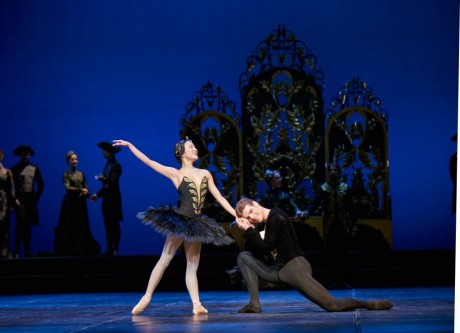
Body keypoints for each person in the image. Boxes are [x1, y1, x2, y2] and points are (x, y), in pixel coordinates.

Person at [112, 138, 237, 316]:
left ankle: (196, 304)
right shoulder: (175, 174)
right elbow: (148, 161)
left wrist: (236, 214)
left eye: (194, 146)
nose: (195, 149)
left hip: (198, 223)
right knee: (166, 258)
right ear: (181, 153)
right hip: (181, 220)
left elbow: (220, 198)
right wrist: (131, 146)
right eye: (191, 147)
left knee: (192, 265)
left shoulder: (205, 173)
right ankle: (147, 296)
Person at [234, 197, 393, 313]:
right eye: (248, 217)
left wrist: (248, 230)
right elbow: (265, 250)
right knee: (244, 257)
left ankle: (370, 304)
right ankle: (254, 303)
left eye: (252, 212)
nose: (253, 217)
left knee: (332, 305)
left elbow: (265, 246)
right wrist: (251, 230)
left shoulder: (276, 216)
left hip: (293, 268)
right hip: (280, 270)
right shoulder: (267, 224)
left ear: (256, 204)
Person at [305, 163, 356, 289]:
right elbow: (315, 204)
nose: (332, 172)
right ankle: (333, 280)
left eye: (335, 170)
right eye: (330, 170)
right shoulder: (323, 188)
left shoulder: (345, 188)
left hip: (343, 225)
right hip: (329, 226)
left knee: (343, 253)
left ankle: (343, 280)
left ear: (339, 173)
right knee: (332, 254)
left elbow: (351, 207)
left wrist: (354, 224)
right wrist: (306, 214)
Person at [54, 151, 100, 256]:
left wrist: (87, 191)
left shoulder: (81, 174)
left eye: (76, 159)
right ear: (68, 161)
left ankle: (81, 247)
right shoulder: (66, 174)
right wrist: (80, 190)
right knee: (70, 224)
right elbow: (67, 187)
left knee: (82, 225)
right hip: (70, 203)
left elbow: (86, 186)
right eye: (72, 159)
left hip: (80, 203)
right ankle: (70, 249)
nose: (75, 161)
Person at [90, 142, 123, 256]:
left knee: (114, 223)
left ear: (109, 153)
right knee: (107, 224)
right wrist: (98, 195)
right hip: (107, 199)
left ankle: (115, 248)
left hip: (113, 200)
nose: (103, 152)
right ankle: (110, 248)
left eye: (104, 151)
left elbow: (112, 182)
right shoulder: (108, 165)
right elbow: (106, 186)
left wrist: (103, 179)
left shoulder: (116, 166)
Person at [11, 145, 44, 258]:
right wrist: (14, 199)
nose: (25, 156)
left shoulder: (34, 168)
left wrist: (35, 199)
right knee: (20, 223)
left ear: (29, 155)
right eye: (23, 154)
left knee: (28, 225)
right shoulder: (14, 168)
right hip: (19, 199)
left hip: (30, 199)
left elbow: (41, 185)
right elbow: (10, 186)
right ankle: (16, 250)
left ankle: (27, 250)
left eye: (27, 154)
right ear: (20, 155)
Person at [0, 149, 15, 258]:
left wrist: (12, 203)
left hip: (4, 199)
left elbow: (11, 189)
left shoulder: (7, 171)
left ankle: (4, 250)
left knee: (4, 224)